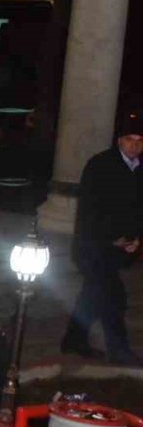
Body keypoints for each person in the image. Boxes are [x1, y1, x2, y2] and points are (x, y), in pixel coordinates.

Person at [61, 114, 143, 364]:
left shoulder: (140, 167)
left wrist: (136, 238)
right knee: (113, 298)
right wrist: (111, 238)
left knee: (93, 295)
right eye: (130, 139)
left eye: (140, 140)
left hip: (121, 246)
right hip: (93, 246)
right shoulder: (101, 165)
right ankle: (120, 352)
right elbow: (90, 209)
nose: (135, 145)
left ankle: (74, 340)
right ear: (119, 140)